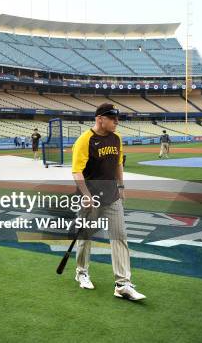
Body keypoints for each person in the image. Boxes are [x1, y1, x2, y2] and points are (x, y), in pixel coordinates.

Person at [71, 103, 145, 301]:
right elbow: (77, 172)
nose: (116, 121)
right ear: (99, 119)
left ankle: (122, 284)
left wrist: (121, 187)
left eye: (116, 118)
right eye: (112, 118)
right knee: (86, 237)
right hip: (91, 198)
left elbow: (118, 164)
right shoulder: (84, 140)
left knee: (119, 236)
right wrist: (86, 195)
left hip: (112, 197)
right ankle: (81, 271)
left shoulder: (117, 138)